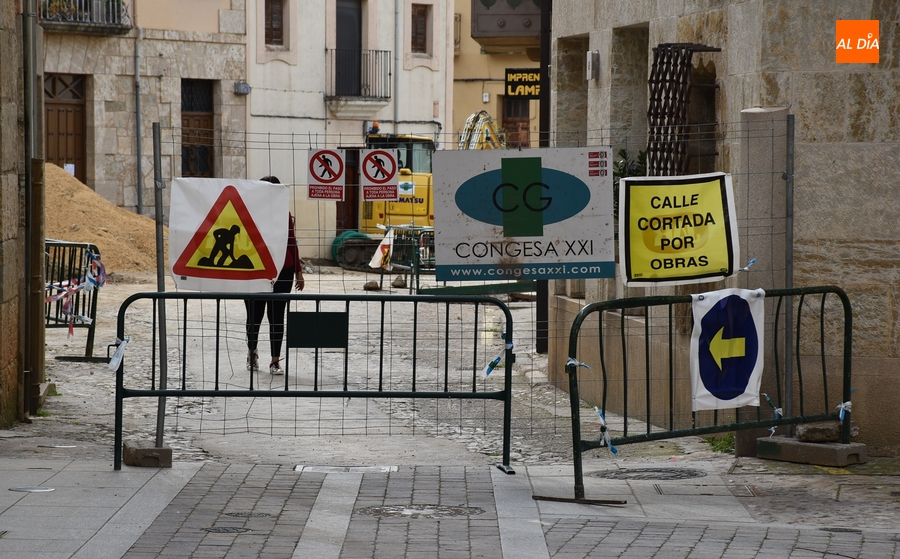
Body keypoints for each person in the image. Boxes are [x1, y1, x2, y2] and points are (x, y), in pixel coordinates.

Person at [246, 176, 305, 375]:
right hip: (255, 268)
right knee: (254, 315)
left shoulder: (283, 214)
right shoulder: (249, 213)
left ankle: (274, 361)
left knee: (276, 316)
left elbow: (291, 241)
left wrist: (298, 271)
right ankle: (252, 353)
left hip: (282, 270)